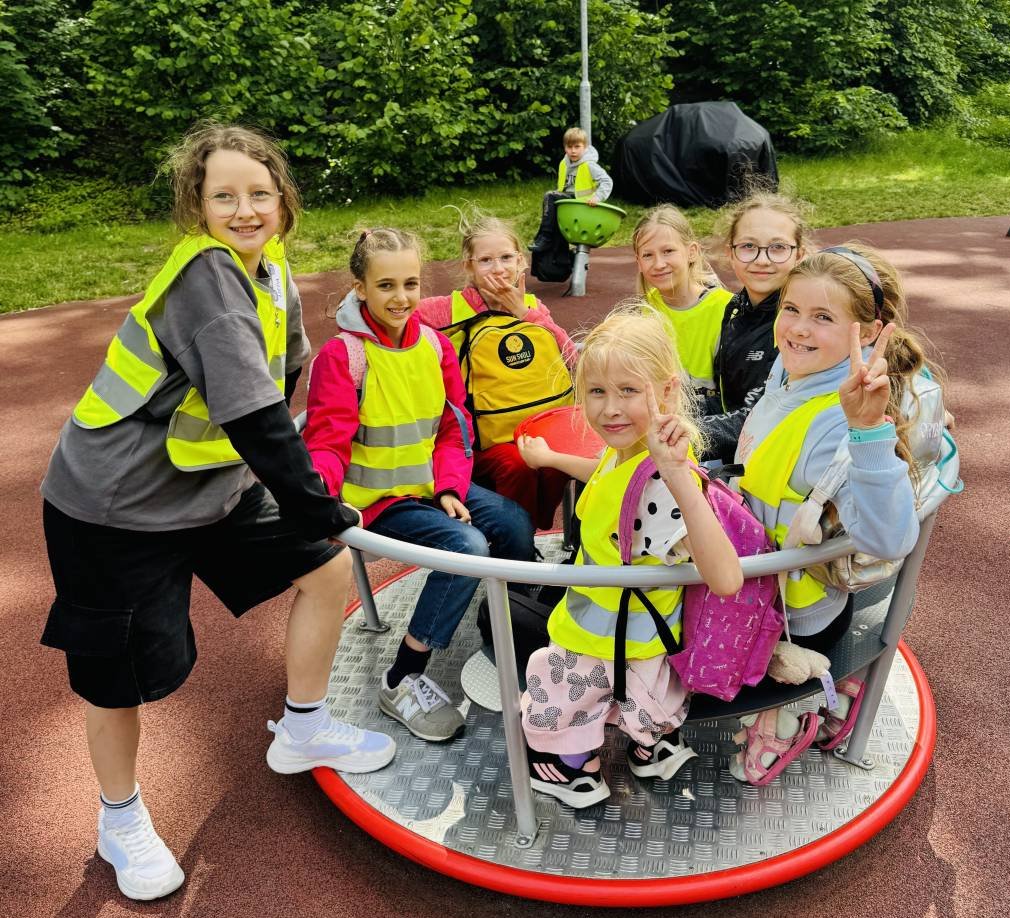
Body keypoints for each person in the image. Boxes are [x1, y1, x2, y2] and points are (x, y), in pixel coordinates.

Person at [39, 123, 395, 903]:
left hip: (206, 484)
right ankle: (119, 819)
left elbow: (283, 381)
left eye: (259, 193)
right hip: (114, 506)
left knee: (326, 568)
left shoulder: (270, 268)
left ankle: (304, 726)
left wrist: (308, 501)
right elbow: (256, 416)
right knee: (118, 677)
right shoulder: (206, 274)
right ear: (197, 208)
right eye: (223, 196)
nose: (245, 210)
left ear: (283, 202)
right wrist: (317, 503)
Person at [302, 227, 537, 743]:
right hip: (376, 500)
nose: (401, 297)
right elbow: (327, 443)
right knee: (467, 547)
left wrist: (450, 487)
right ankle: (402, 677)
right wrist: (321, 502)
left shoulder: (434, 346)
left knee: (513, 522)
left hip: (430, 484)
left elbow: (454, 429)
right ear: (360, 288)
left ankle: (514, 627)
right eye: (385, 285)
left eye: (410, 284)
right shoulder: (344, 357)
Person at [729, 245, 937, 783]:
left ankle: (789, 710)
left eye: (823, 317)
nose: (798, 328)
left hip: (790, 622)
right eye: (791, 309)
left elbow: (891, 538)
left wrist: (867, 432)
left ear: (868, 334)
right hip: (777, 596)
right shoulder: (793, 368)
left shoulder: (835, 422)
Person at [519, 309, 743, 808]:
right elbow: (607, 480)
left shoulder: (663, 481)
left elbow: (726, 577)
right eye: (597, 391)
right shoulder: (632, 454)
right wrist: (551, 459)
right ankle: (652, 746)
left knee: (561, 701)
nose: (610, 409)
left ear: (666, 392)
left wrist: (679, 477)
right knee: (640, 700)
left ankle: (572, 769)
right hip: (634, 639)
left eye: (627, 391)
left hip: (603, 644)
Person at [418, 211, 577, 529]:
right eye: (486, 260)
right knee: (516, 465)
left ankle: (529, 529)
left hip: (538, 426)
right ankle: (518, 537)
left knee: (555, 461)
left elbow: (570, 357)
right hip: (481, 440)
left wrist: (523, 313)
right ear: (469, 266)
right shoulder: (446, 310)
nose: (498, 268)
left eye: (506, 258)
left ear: (521, 261)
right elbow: (395, 314)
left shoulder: (532, 306)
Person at [700, 192, 814, 463]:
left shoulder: (797, 326)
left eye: (778, 247)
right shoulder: (736, 309)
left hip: (775, 465)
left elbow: (759, 417)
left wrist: (680, 431)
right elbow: (729, 398)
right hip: (739, 459)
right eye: (749, 246)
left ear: (799, 255)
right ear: (731, 253)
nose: (762, 260)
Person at [632, 205, 733, 396]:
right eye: (648, 255)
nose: (659, 264)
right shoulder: (642, 311)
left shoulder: (727, 309)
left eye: (668, 251)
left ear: (692, 252)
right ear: (639, 262)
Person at [529, 125, 613, 254]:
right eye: (569, 147)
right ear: (565, 147)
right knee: (555, 214)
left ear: (585, 147)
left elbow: (607, 181)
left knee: (550, 196)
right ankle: (562, 256)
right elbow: (563, 187)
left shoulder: (589, 165)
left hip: (582, 202)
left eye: (577, 147)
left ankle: (545, 237)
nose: (573, 151)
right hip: (568, 199)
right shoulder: (564, 164)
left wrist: (597, 197)